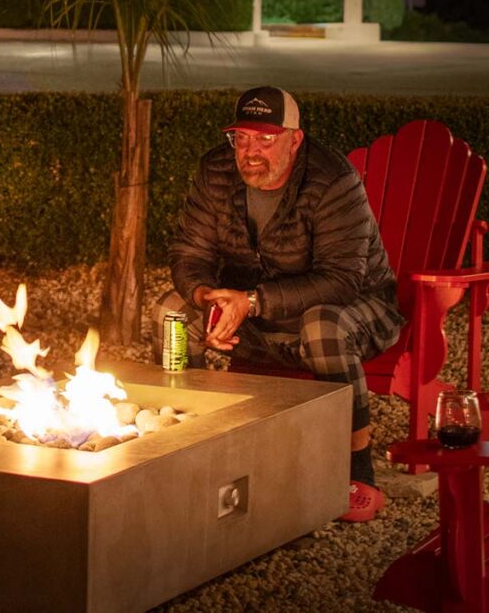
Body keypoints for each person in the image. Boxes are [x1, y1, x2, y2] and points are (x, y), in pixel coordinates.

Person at [153, 86, 404, 523]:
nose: (251, 152)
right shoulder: (215, 170)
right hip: (255, 309)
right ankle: (186, 443)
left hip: (355, 307)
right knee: (171, 311)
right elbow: (189, 251)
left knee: (322, 327)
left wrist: (251, 303)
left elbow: (342, 280)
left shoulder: (333, 180)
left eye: (265, 139)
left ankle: (358, 468)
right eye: (242, 138)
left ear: (295, 139)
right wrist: (206, 297)